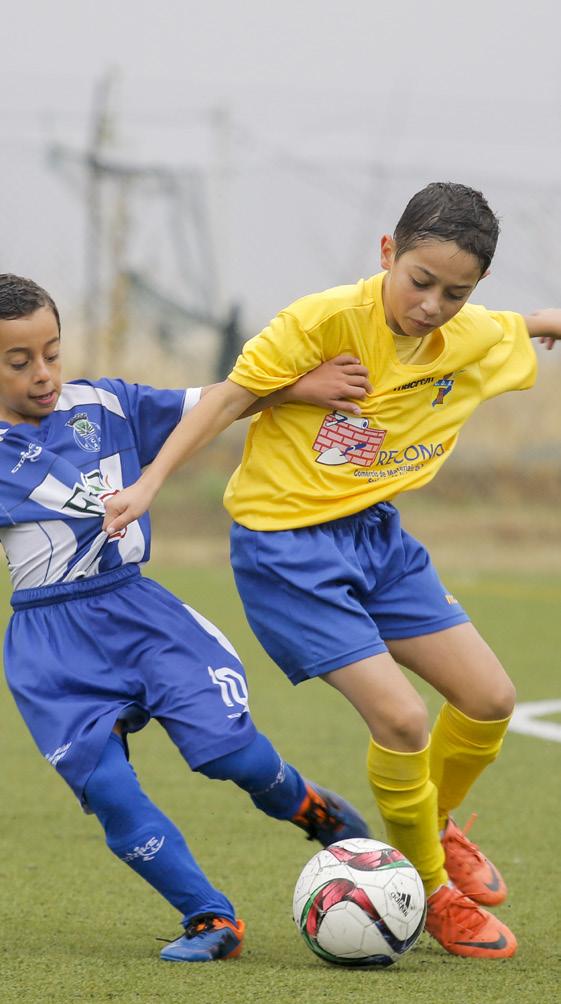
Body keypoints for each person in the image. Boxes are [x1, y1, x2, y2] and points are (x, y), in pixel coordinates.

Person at [103, 181, 561, 961]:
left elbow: (512, 325)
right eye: (419, 282)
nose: (430, 306)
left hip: (378, 539)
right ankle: (430, 888)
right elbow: (222, 400)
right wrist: (147, 484)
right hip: (287, 551)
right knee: (403, 720)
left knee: (488, 699)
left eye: (455, 293)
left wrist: (544, 323)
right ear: (387, 253)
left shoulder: (470, 331)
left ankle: (434, 830)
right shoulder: (320, 321)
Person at [0, 273, 375, 965]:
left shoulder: (107, 403)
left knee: (235, 758)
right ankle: (210, 918)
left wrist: (299, 387)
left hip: (138, 615)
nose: (43, 373)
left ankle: (307, 806)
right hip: (49, 647)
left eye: (51, 351)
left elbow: (216, 403)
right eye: (19, 362)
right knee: (109, 790)